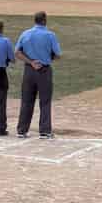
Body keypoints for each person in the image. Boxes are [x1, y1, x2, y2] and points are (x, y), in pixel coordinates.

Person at [15, 10, 62, 138]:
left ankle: (22, 130)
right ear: (44, 20)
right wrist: (47, 58)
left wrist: (31, 62)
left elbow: (17, 53)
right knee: (45, 101)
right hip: (44, 71)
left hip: (29, 71)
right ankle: (45, 131)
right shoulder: (50, 35)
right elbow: (58, 54)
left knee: (26, 100)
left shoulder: (25, 34)